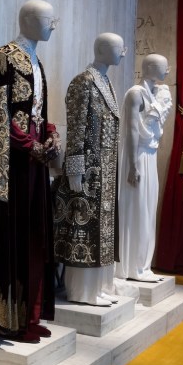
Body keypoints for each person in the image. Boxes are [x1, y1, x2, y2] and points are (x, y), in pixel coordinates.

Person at [0, 0, 61, 343]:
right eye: (48, 19)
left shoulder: (37, 63)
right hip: (11, 168)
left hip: (35, 166)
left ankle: (29, 312)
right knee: (12, 237)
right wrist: (29, 145)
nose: (53, 25)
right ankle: (3, 318)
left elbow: (39, 111)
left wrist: (50, 133)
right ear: (28, 20)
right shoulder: (2, 58)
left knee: (35, 237)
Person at [53, 33, 125, 306]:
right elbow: (76, 126)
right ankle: (82, 291)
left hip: (105, 169)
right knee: (85, 226)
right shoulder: (83, 82)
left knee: (102, 229)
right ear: (104, 50)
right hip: (88, 170)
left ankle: (100, 286)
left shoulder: (106, 82)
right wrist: (74, 168)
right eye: (119, 48)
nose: (122, 53)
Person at [116, 54, 172, 283]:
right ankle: (131, 267)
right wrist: (132, 165)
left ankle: (143, 265)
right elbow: (130, 131)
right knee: (136, 209)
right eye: (163, 67)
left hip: (149, 155)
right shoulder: (135, 94)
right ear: (149, 68)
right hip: (136, 156)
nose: (167, 72)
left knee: (148, 209)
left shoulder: (156, 94)